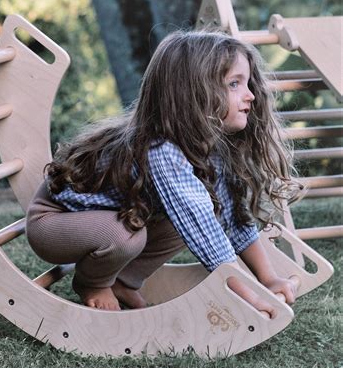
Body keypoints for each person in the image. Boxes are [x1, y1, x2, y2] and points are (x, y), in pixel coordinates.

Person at [27, 30, 301, 315]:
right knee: (125, 234)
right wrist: (250, 299)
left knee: (198, 211)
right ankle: (92, 283)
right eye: (234, 84)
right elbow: (206, 237)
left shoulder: (210, 148)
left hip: (116, 218)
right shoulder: (161, 149)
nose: (251, 95)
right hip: (54, 222)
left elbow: (231, 218)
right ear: (193, 94)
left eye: (246, 83)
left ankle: (123, 281)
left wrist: (267, 280)